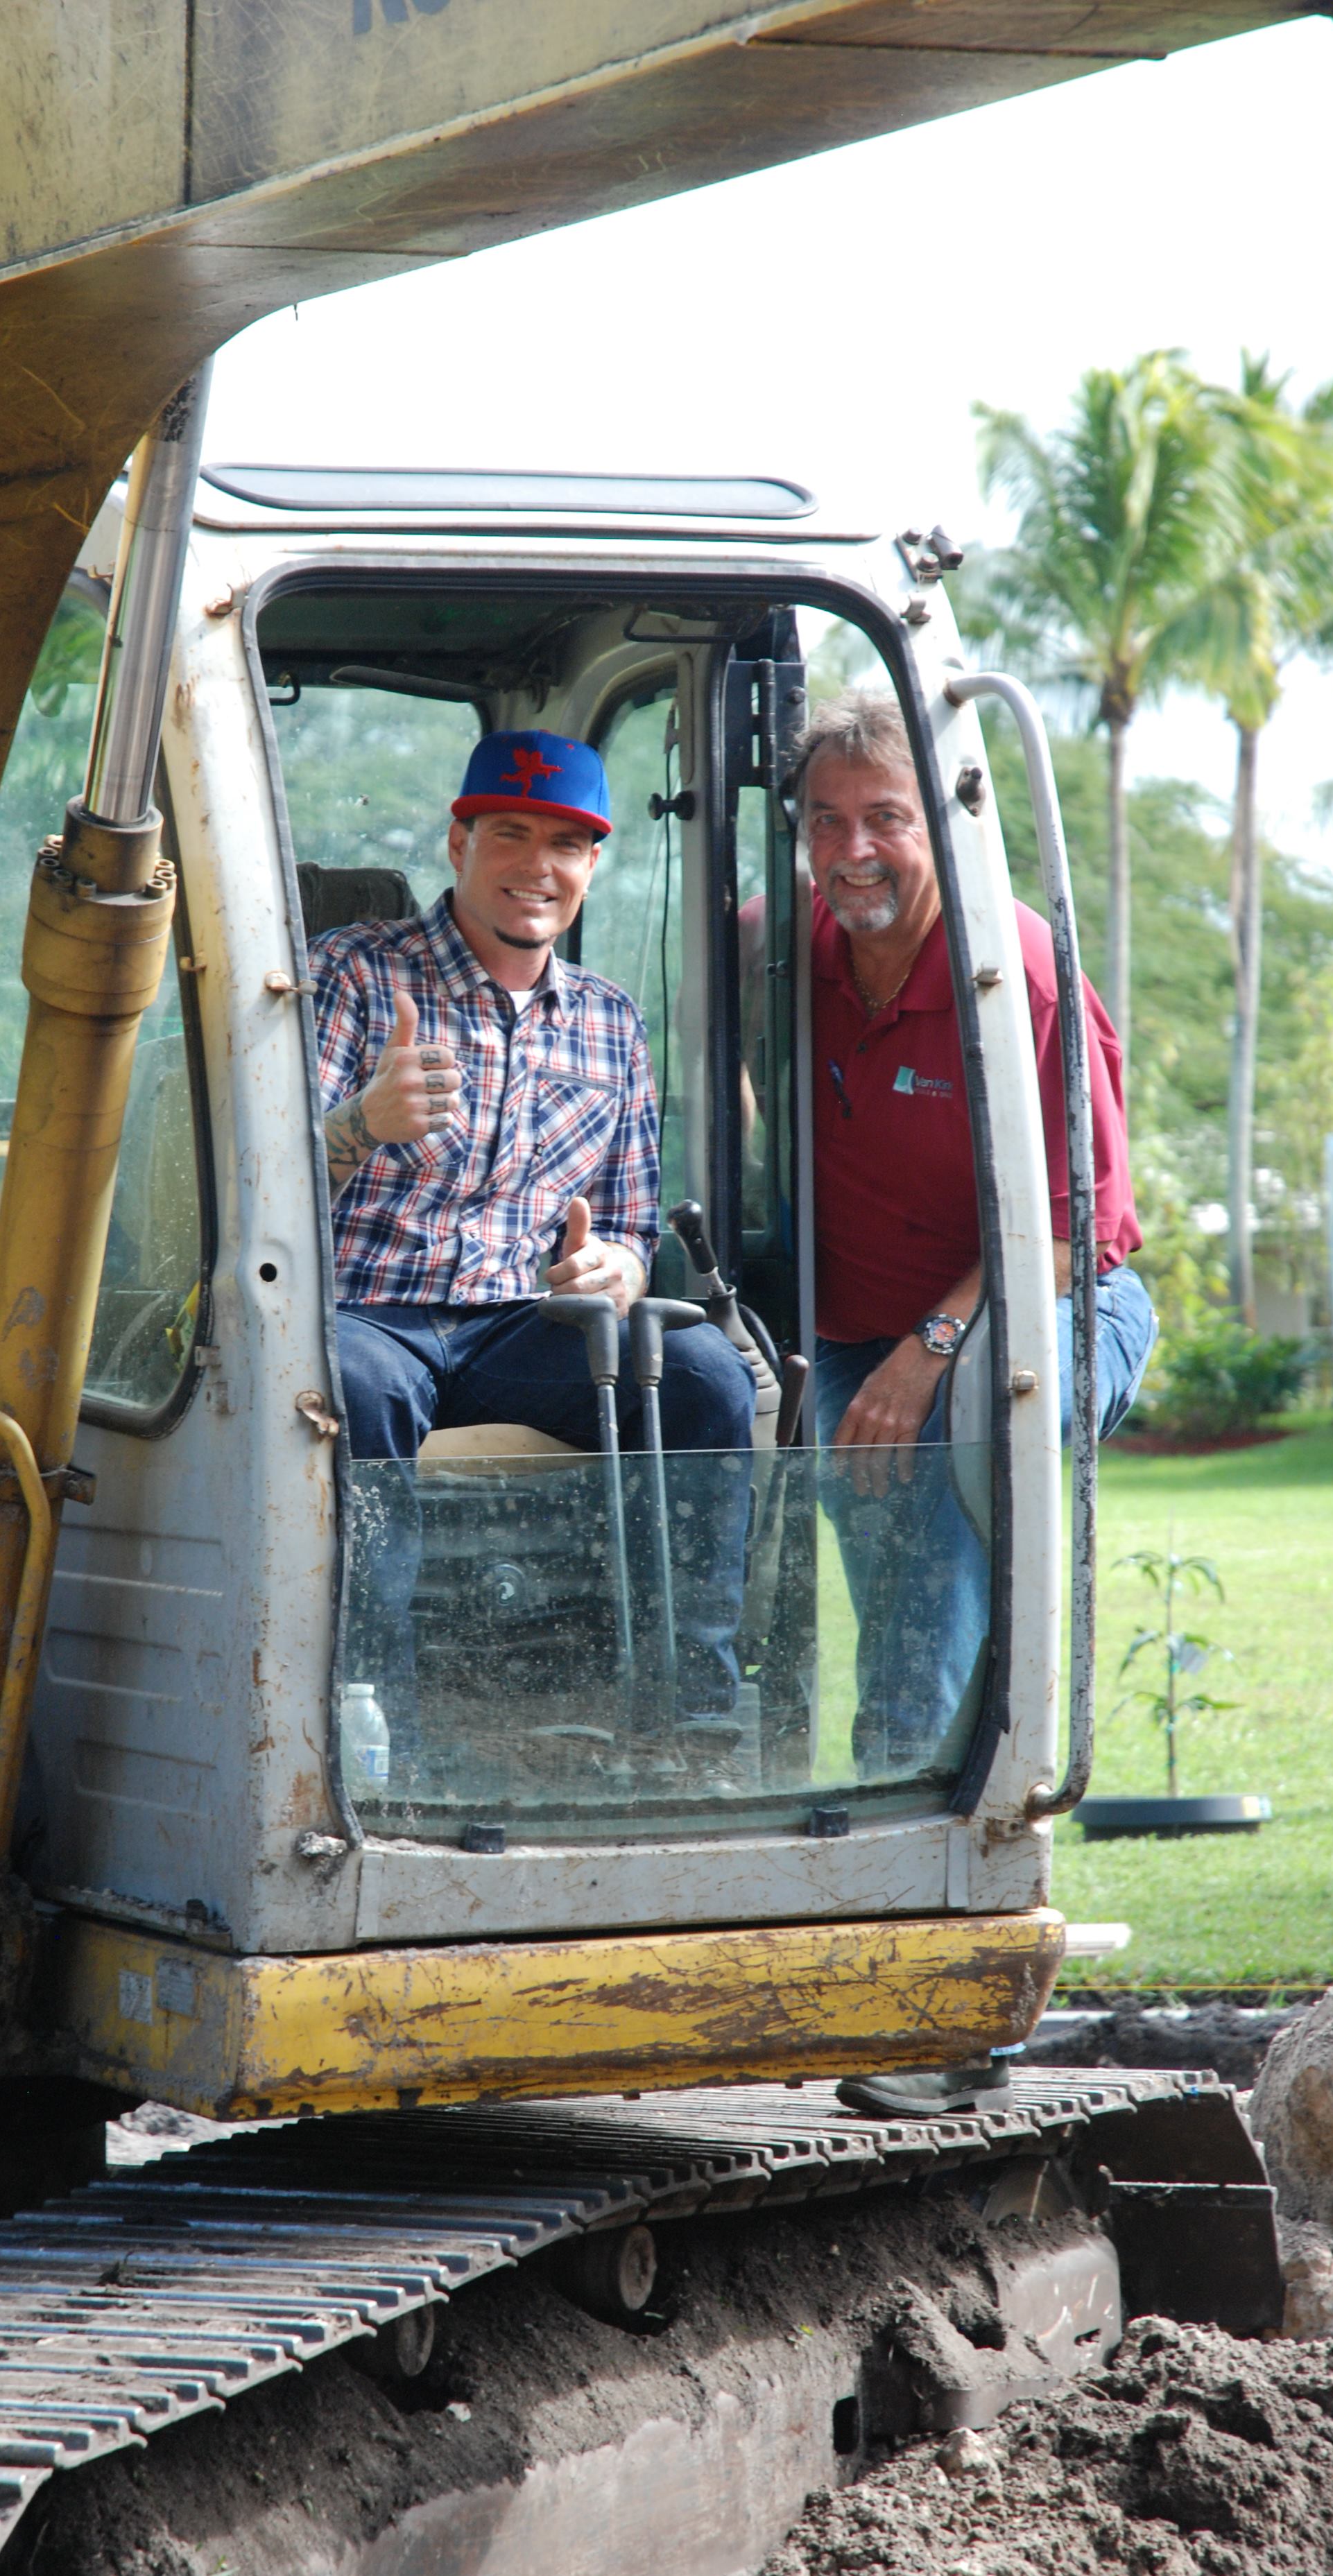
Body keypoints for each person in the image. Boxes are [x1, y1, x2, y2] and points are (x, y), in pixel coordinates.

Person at [310, 728, 756, 1755]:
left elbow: (635, 1219)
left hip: (524, 1326)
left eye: (567, 842)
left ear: (593, 865)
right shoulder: (354, 976)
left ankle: (696, 1726)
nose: (538, 866)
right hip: (368, 1312)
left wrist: (620, 1267)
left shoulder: (610, 1020)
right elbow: (251, 1180)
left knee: (701, 1376)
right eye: (511, 834)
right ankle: (375, 1731)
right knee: (352, 1382)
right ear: (459, 842)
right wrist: (358, 1125)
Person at [796, 687, 1155, 1783]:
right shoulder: (780, 946)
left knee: (959, 1444)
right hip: (857, 1329)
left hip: (1044, 1302)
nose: (854, 850)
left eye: (887, 818)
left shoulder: (1023, 977)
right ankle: (917, 1790)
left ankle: (928, 1841)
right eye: (825, 819)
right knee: (895, 1571)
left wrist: (929, 1353)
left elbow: (1069, 1227)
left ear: (945, 823)